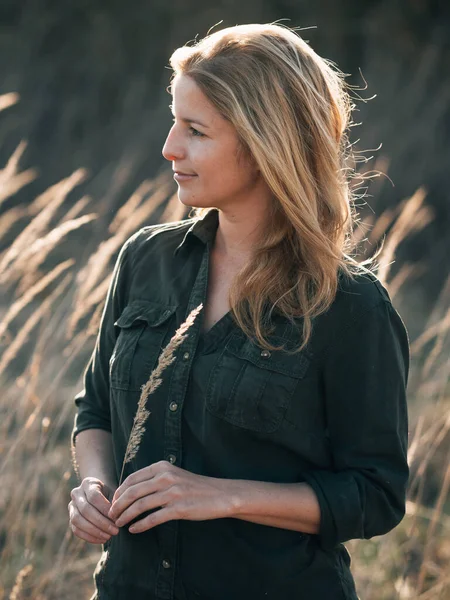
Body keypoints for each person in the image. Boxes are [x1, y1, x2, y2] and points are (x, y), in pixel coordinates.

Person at [68, 23, 410, 600]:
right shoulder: (145, 259)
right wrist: (94, 486)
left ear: (265, 144)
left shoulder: (348, 304)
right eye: (173, 120)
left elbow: (375, 495)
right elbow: (95, 409)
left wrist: (221, 495)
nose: (169, 147)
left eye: (196, 130)